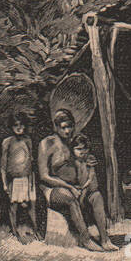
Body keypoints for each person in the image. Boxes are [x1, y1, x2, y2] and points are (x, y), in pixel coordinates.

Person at [38, 108, 117, 252]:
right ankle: (85, 239)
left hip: (78, 186)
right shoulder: (47, 144)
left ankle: (105, 239)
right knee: (69, 197)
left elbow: (84, 162)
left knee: (97, 196)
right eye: (63, 128)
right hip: (53, 190)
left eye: (70, 126)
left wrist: (89, 163)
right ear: (56, 127)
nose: (67, 131)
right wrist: (68, 186)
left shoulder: (76, 142)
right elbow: (44, 176)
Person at [1, 110, 38, 243]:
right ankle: (14, 232)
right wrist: (5, 183)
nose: (19, 128)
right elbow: (3, 165)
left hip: (27, 178)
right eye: (16, 124)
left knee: (31, 205)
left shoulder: (28, 140)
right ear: (11, 126)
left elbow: (30, 159)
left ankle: (36, 231)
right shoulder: (7, 142)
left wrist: (32, 180)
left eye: (21, 125)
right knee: (14, 206)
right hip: (14, 179)